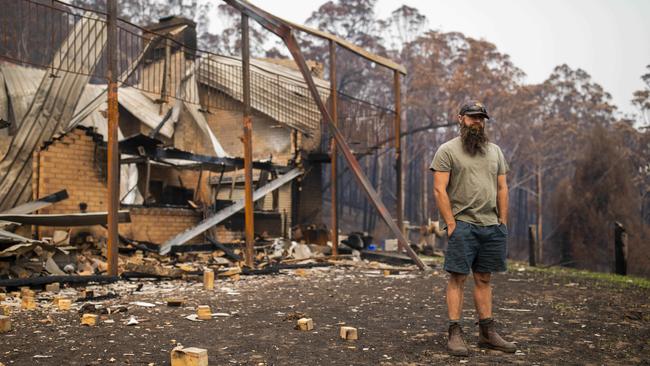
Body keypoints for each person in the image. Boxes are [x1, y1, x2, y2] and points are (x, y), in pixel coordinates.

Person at [430, 101, 516, 356]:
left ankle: (487, 332)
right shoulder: (447, 150)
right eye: (472, 117)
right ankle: (455, 332)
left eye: (481, 118)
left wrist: (503, 221)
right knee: (457, 277)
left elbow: (502, 188)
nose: (477, 121)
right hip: (463, 225)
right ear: (460, 119)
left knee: (484, 278)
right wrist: (451, 223)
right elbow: (439, 188)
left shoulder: (495, 152)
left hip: (491, 225)